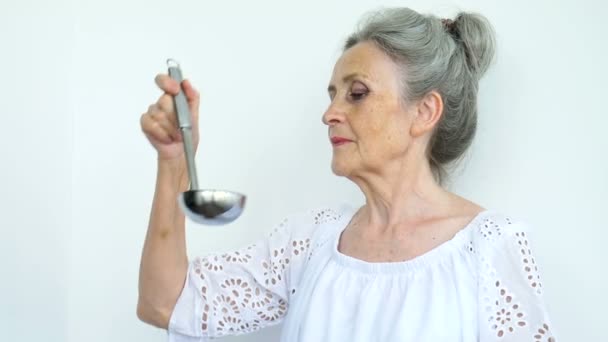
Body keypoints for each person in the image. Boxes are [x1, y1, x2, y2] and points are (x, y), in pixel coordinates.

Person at [137, 7, 557, 342]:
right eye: (333, 95)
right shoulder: (311, 242)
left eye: (357, 94)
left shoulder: (489, 247)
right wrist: (173, 160)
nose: (329, 113)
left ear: (424, 112)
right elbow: (164, 303)